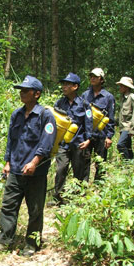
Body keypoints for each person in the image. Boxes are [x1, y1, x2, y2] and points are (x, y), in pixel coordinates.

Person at [0, 75, 56, 257]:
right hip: (16, 169)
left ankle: (32, 243)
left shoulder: (46, 115)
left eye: (26, 90)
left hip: (35, 173)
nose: (22, 93)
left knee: (35, 209)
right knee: (8, 206)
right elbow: (11, 140)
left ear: (37, 94)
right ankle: (4, 241)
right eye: (21, 90)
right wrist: (7, 162)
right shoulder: (17, 114)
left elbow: (47, 142)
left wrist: (35, 162)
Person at [51, 73, 93, 205]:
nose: (64, 87)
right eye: (63, 84)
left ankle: (78, 199)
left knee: (79, 171)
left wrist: (88, 140)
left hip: (79, 143)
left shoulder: (84, 104)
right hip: (63, 144)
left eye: (67, 84)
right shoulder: (59, 103)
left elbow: (89, 122)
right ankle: (58, 198)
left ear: (75, 87)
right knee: (61, 169)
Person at [81, 68, 115, 181]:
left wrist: (109, 136)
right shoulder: (85, 95)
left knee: (100, 161)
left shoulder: (108, 97)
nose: (92, 78)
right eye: (91, 76)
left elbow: (111, 117)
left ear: (101, 79)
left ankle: (99, 186)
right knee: (84, 161)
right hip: (87, 135)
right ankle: (83, 186)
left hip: (101, 135)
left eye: (95, 77)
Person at [116, 77, 134, 159]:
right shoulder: (123, 98)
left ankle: (126, 163)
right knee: (128, 147)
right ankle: (131, 166)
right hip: (122, 127)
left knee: (120, 145)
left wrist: (132, 129)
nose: (120, 88)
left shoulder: (133, 98)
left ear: (126, 87)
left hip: (128, 127)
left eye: (121, 86)